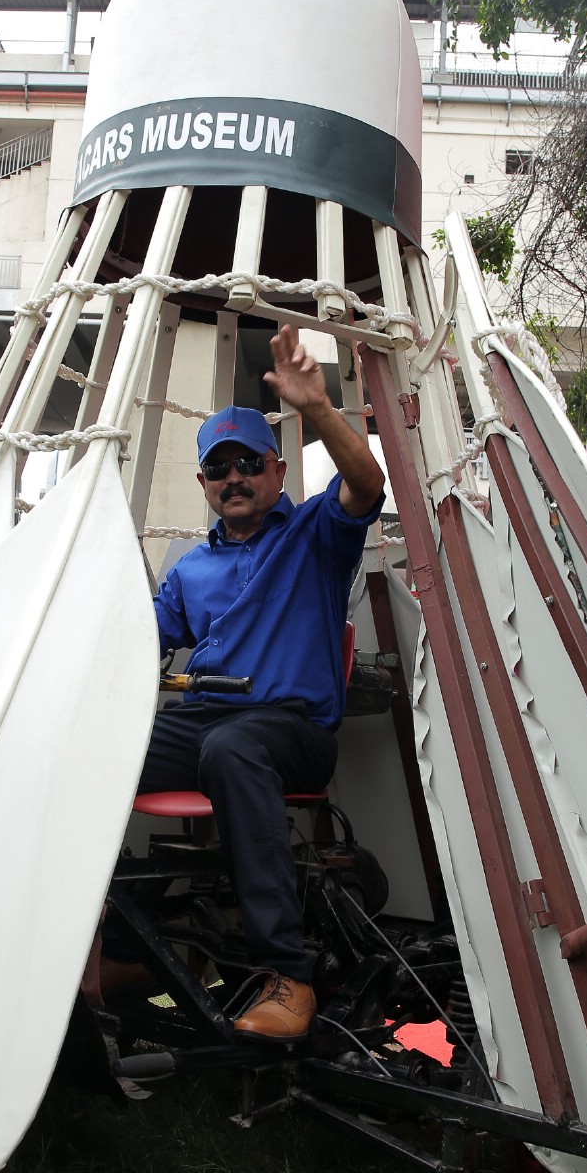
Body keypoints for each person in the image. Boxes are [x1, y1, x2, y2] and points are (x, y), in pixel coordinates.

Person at [138, 325, 385, 1040]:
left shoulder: (314, 534)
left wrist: (318, 410)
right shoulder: (188, 569)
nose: (234, 478)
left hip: (293, 731)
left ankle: (289, 976)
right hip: (208, 726)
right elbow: (136, 643)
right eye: (220, 469)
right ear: (203, 485)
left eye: (249, 462)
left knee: (233, 748)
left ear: (277, 471)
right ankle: (114, 948)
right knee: (98, 744)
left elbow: (366, 485)